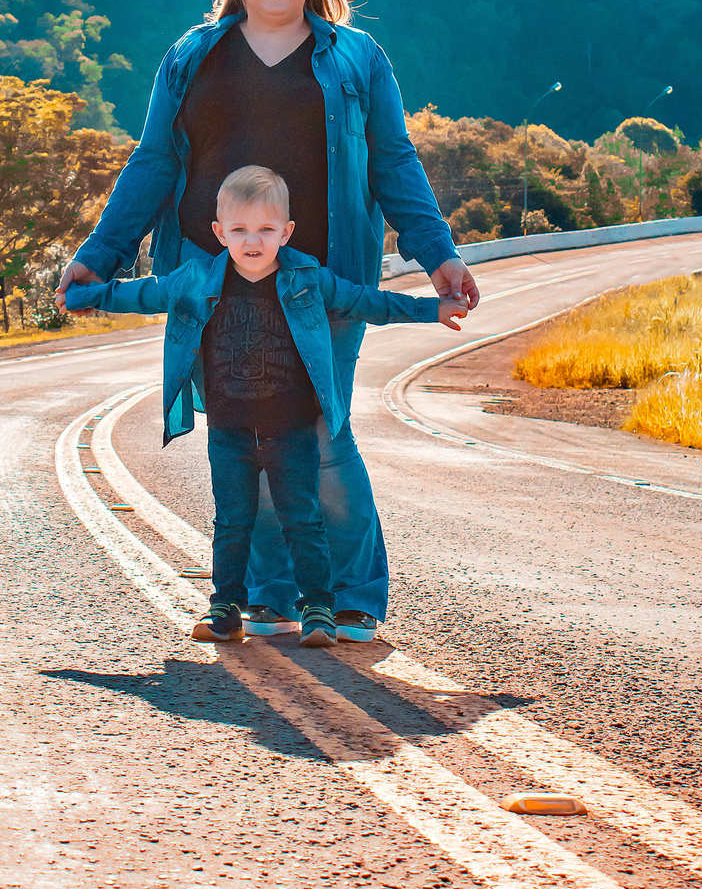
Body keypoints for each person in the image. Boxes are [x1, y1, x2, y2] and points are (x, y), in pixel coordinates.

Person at [57, 0, 479, 641]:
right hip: (215, 286)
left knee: (319, 439)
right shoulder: (193, 56)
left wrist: (437, 253)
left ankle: (352, 596)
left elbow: (393, 162)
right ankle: (276, 596)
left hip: (322, 283)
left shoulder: (355, 59)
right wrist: (101, 253)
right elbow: (154, 161)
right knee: (250, 440)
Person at [62, 166, 468, 646]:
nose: (251, 241)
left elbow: (370, 304)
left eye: (264, 230)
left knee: (302, 516)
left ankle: (318, 609)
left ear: (286, 232)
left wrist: (432, 309)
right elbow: (138, 293)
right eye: (238, 230)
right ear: (218, 232)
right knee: (232, 521)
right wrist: (83, 293)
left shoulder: (309, 280)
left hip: (291, 426)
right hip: (229, 428)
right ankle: (225, 609)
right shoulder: (194, 279)